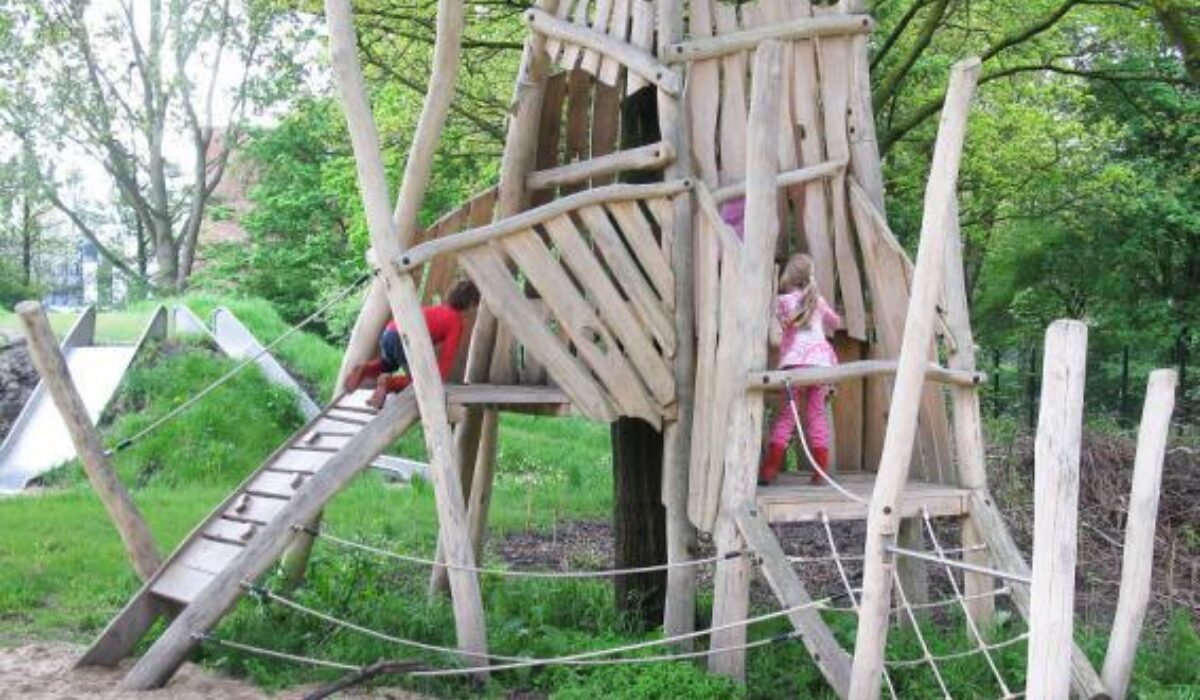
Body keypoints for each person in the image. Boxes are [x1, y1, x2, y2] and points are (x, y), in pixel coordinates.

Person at [760, 254, 841, 486]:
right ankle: (820, 473)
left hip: (795, 365)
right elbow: (835, 322)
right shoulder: (817, 300)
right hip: (821, 365)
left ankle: (770, 470)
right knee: (816, 416)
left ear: (789, 275)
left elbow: (776, 322)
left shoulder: (783, 302)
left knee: (788, 416)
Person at [344, 279, 481, 408]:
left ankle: (365, 369)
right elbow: (448, 356)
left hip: (390, 332)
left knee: (388, 364)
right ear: (470, 304)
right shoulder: (455, 322)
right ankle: (389, 383)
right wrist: (437, 383)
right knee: (421, 381)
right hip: (403, 339)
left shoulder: (438, 310)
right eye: (475, 307)